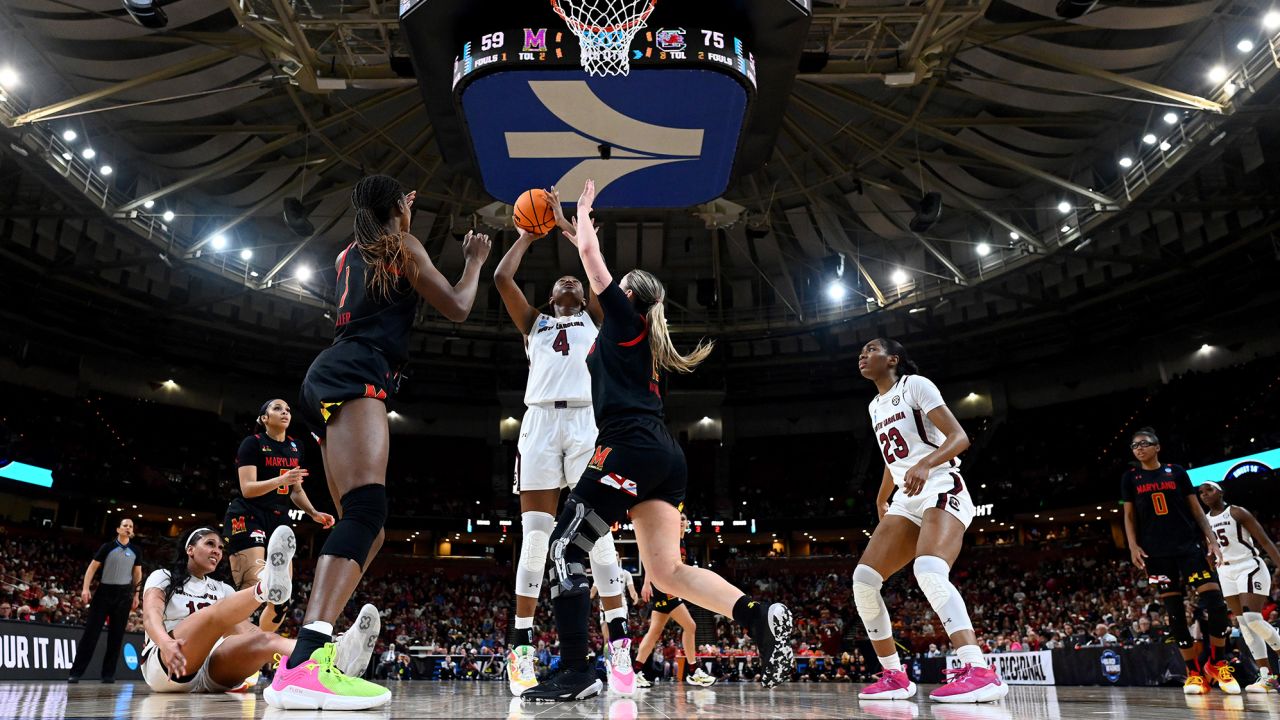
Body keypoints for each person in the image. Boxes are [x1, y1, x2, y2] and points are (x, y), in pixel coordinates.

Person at [521, 180, 793, 702]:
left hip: (627, 447)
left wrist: (580, 221)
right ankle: (757, 616)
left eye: (615, 287)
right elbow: (591, 263)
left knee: (563, 548)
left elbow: (590, 260)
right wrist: (566, 226)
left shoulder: (625, 322)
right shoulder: (636, 335)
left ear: (627, 298)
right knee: (667, 573)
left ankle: (577, 669)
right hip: (663, 457)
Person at [267, 174, 491, 710]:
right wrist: (476, 260)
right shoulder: (400, 244)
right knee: (367, 511)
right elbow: (458, 306)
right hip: (358, 366)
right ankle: (302, 663)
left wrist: (400, 213)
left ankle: (313, 655)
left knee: (366, 529)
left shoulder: (350, 253)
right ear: (398, 208)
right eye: (406, 205)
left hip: (332, 368)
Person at [493, 194, 634, 696]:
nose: (569, 283)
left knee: (595, 536)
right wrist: (529, 235)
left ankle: (619, 647)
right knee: (535, 539)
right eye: (561, 282)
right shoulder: (534, 322)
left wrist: (577, 238)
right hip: (539, 425)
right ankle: (522, 646)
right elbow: (501, 280)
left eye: (573, 281)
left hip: (586, 424)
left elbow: (600, 280)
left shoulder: (595, 319)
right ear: (551, 295)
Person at [853, 339, 1008, 704]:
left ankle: (979, 670)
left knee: (928, 570)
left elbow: (959, 438)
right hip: (907, 496)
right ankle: (894, 675)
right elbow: (896, 459)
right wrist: (880, 497)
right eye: (860, 351)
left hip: (941, 484)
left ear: (892, 359)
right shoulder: (874, 405)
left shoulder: (915, 385)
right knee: (863, 580)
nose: (862, 355)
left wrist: (927, 464)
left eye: (871, 349)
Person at [140, 526, 378, 696]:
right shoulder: (163, 577)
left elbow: (249, 630)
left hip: (214, 670)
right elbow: (151, 615)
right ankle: (265, 587)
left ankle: (337, 656)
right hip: (168, 663)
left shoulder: (222, 588)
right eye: (210, 544)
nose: (217, 551)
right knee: (212, 616)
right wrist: (164, 643)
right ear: (190, 549)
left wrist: (270, 625)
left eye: (221, 547)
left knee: (266, 640)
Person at [1121, 427, 1233, 695]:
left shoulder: (1176, 472)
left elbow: (1195, 507)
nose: (1139, 448)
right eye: (1135, 446)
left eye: (1145, 443)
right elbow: (1128, 515)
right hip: (1156, 553)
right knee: (1173, 612)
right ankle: (1193, 672)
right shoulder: (1130, 477)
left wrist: (1211, 539)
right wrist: (1133, 545)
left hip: (1188, 547)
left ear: (1157, 446)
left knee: (1216, 605)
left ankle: (1216, 662)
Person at [222, 398, 334, 634]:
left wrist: (313, 512)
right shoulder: (251, 444)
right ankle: (234, 641)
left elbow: (296, 490)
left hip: (279, 519)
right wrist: (281, 480)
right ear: (264, 418)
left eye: (287, 410)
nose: (285, 412)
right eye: (277, 408)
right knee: (253, 588)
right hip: (248, 514)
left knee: (281, 598)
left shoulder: (296, 447)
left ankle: (257, 649)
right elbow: (248, 488)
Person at [1198, 480, 1280, 693]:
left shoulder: (1237, 512)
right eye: (1201, 492)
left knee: (1252, 618)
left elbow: (1264, 540)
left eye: (1209, 490)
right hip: (1225, 571)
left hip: (1248, 565)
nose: (1205, 494)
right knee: (1244, 624)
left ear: (1220, 492)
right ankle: (1267, 677)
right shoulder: (1204, 521)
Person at [631, 514, 716, 687]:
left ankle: (635, 672)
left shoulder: (682, 542)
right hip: (664, 588)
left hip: (668, 587)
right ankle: (693, 671)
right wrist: (647, 582)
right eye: (679, 519)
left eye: (684, 519)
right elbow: (653, 559)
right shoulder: (670, 540)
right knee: (690, 626)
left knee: (654, 632)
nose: (682, 521)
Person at [69, 518, 142, 683]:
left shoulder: (136, 550)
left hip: (123, 595)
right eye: (125, 525)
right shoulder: (107, 547)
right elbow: (92, 568)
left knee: (116, 637)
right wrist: (85, 588)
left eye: (130, 526)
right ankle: (76, 673)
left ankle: (108, 674)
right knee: (91, 634)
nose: (128, 528)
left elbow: (137, 574)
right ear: (118, 529)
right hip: (104, 592)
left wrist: (136, 595)